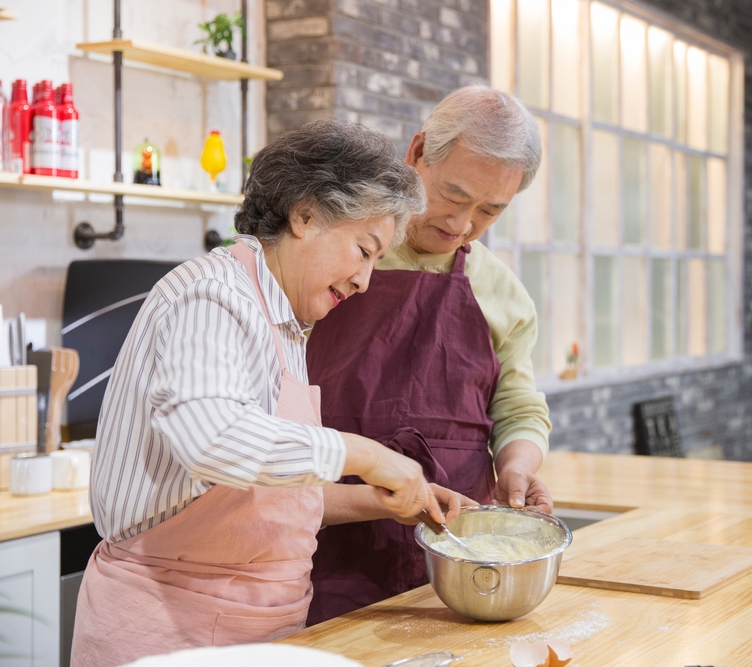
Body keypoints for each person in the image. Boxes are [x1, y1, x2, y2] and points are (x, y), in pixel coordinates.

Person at [71, 121, 466, 667]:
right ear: (305, 215)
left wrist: (389, 501)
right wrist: (367, 456)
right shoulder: (211, 296)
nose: (365, 281)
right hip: (169, 634)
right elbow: (212, 439)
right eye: (363, 249)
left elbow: (253, 501)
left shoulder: (282, 321)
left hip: (258, 633)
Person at [306, 85, 554, 623]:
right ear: (417, 153)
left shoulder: (502, 291)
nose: (463, 224)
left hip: (453, 554)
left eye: (490, 210)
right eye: (454, 196)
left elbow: (519, 408)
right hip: (321, 534)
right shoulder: (333, 260)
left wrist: (517, 465)